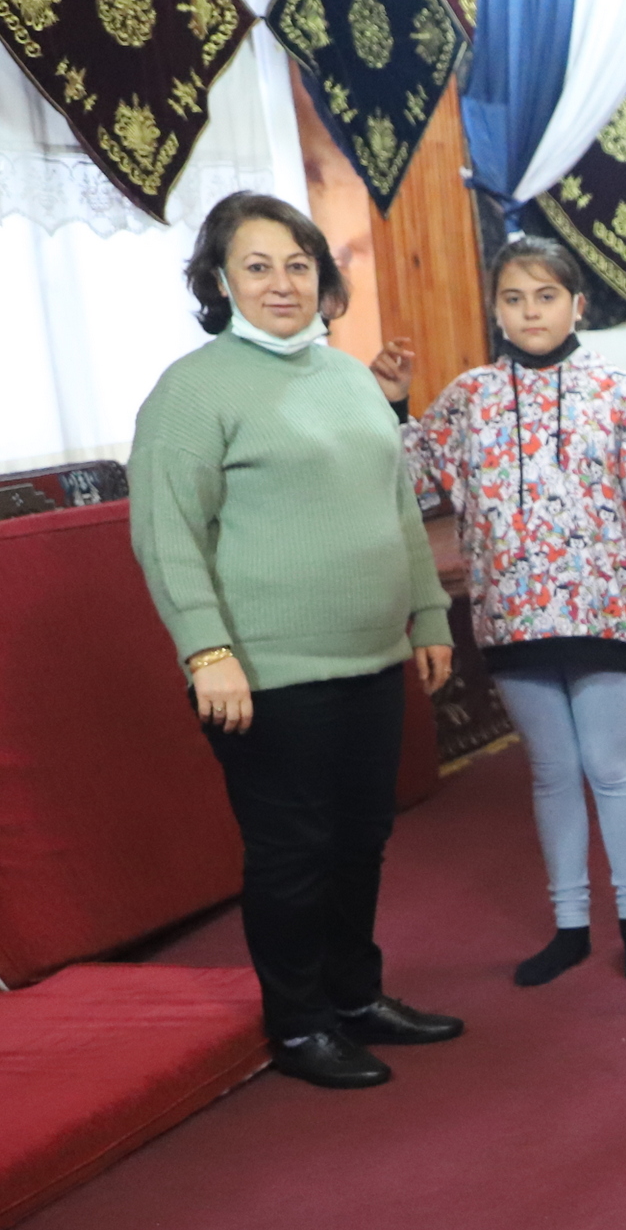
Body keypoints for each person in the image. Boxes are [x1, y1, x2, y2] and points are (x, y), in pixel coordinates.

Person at [128, 191, 461, 1090]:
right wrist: (207, 652)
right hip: (264, 673)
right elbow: (166, 534)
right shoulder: (192, 391)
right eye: (257, 266)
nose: (282, 283)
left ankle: (355, 998)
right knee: (294, 853)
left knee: (360, 840)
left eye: (298, 265)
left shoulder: (348, 377)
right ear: (218, 281)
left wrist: (428, 613)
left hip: (373, 659)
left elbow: (399, 508)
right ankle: (300, 1025)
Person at [395, 236, 626, 988]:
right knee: (553, 771)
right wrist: (395, 405)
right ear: (496, 309)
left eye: (546, 296)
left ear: (577, 305)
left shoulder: (615, 393)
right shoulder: (469, 397)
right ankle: (569, 926)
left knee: (609, 765)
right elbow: (409, 480)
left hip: (601, 610)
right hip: (511, 615)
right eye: (514, 298)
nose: (530, 312)